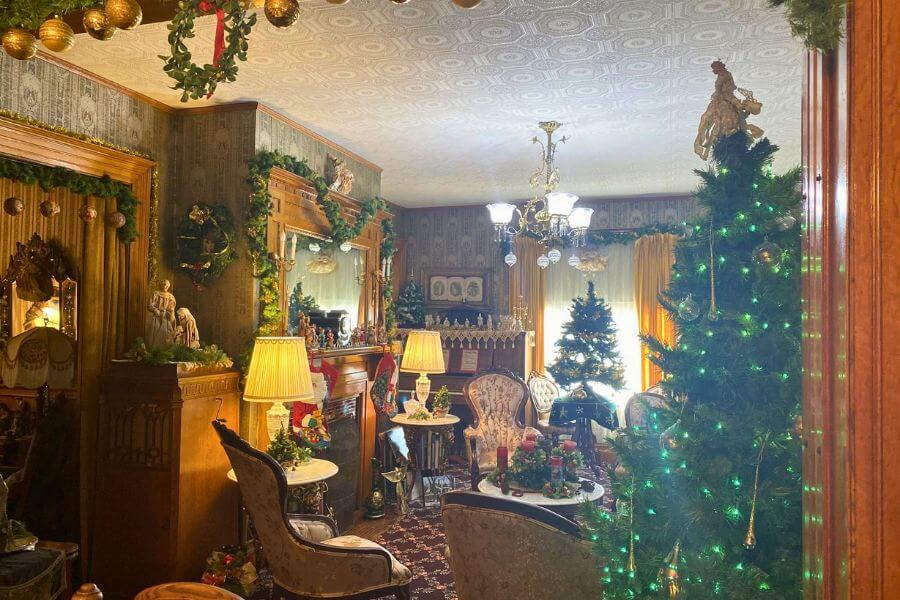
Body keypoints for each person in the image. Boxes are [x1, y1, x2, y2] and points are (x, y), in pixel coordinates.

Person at [145, 279, 176, 348]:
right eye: (163, 285)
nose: (165, 286)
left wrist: (171, 314)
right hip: (157, 316)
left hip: (166, 317)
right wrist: (155, 309)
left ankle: (165, 348)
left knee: (166, 333)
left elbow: (172, 309)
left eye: (166, 286)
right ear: (161, 285)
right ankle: (153, 349)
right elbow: (149, 305)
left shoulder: (171, 297)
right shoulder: (155, 294)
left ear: (168, 286)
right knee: (154, 332)